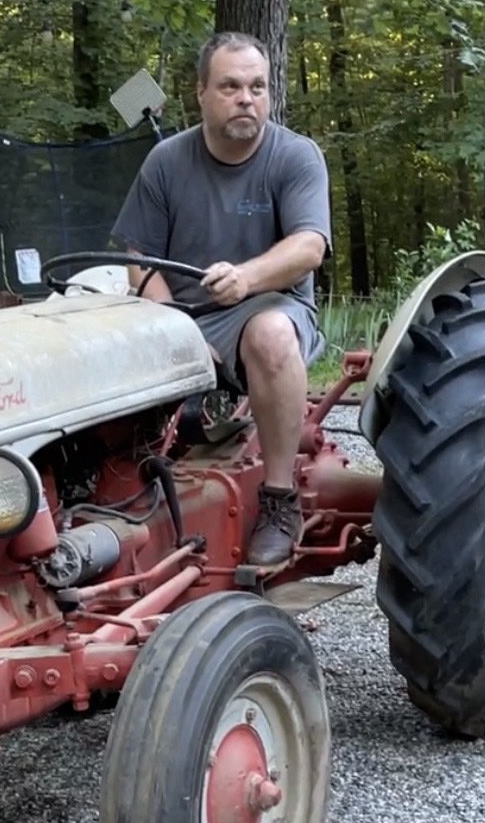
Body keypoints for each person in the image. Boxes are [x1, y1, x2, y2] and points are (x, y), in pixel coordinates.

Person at [110, 31, 332, 566]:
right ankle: (109, 493)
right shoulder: (166, 162)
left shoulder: (296, 156)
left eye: (258, 86)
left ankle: (280, 500)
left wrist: (247, 278)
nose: (246, 98)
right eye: (230, 86)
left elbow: (309, 247)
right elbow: (140, 259)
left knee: (272, 335)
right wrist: (174, 328)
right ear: (201, 94)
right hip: (183, 314)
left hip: (267, 308)